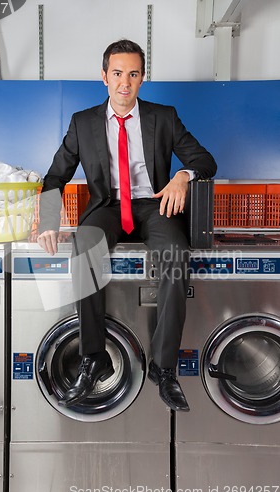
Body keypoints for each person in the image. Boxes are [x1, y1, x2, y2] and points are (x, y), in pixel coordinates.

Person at [37, 39, 217, 411]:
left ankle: (164, 368)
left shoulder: (163, 116)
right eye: (117, 74)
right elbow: (54, 177)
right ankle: (94, 356)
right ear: (103, 77)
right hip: (107, 205)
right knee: (84, 246)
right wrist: (48, 222)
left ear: (142, 77)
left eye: (133, 74)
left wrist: (183, 175)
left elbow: (205, 160)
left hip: (154, 206)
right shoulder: (82, 123)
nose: (125, 83)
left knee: (175, 253)